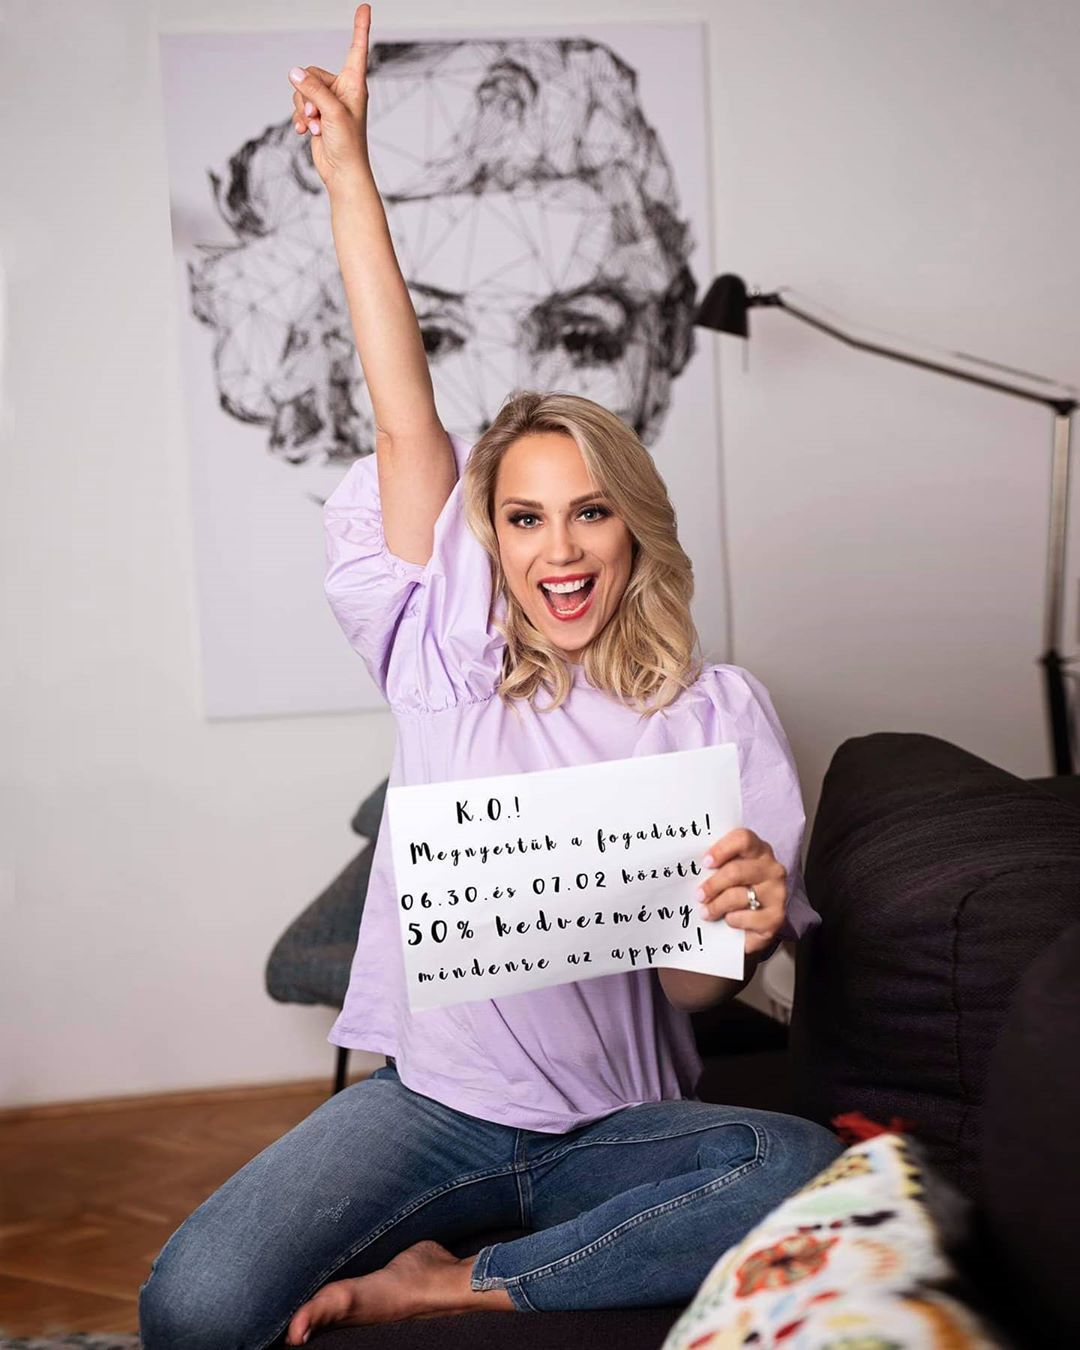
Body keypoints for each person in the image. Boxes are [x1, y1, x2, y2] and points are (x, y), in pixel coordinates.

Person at [138, 8, 843, 1347]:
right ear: (492, 543)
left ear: (632, 526)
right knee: (192, 1306)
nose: (558, 548)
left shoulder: (718, 714)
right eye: (524, 518)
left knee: (796, 1163)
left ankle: (455, 1280)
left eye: (588, 513)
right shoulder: (447, 662)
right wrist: (349, 174)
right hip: (436, 1110)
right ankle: (487, 1253)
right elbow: (405, 411)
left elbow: (692, 995)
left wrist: (743, 926)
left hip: (624, 1122)